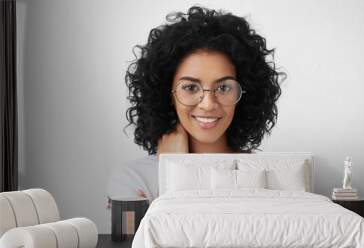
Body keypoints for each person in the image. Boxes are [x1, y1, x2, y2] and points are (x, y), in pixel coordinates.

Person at [106, 5, 285, 207]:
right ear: (168, 94)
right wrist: (172, 169)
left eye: (224, 87)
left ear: (243, 94)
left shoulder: (266, 174)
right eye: (190, 87)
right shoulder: (133, 178)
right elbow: (147, 239)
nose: (208, 104)